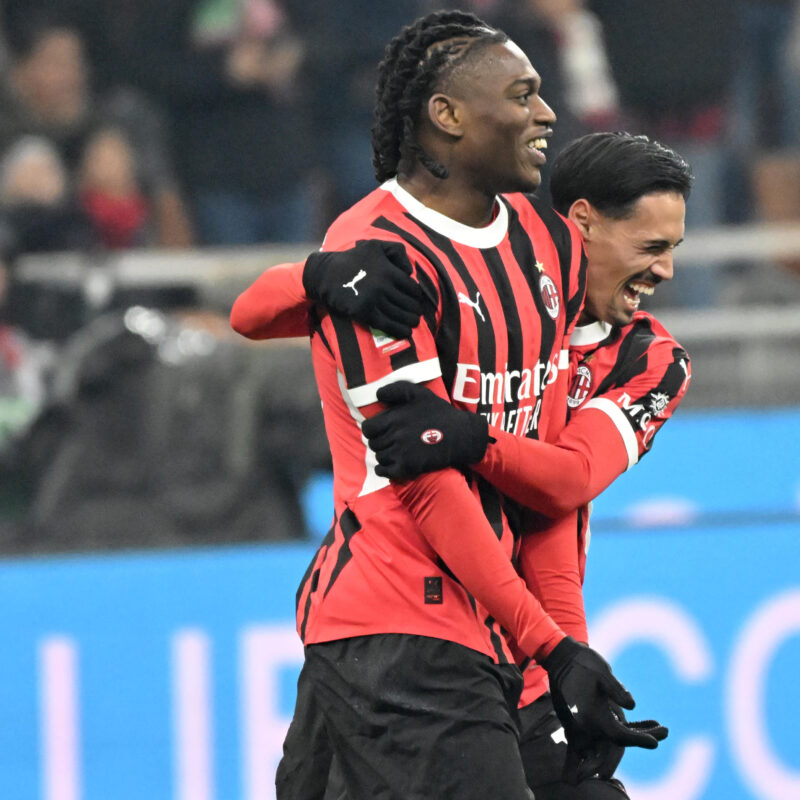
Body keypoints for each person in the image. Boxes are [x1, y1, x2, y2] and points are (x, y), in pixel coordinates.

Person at [232, 9, 664, 799]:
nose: (547, 113)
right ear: (449, 115)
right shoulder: (379, 256)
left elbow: (547, 494)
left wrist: (558, 650)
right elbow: (429, 482)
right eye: (523, 94)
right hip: (401, 626)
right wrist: (553, 646)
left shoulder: (543, 248)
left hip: (492, 638)